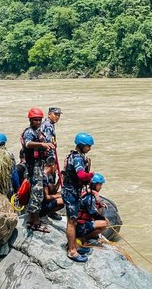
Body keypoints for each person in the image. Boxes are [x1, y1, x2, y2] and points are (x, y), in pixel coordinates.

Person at [62, 132, 95, 262]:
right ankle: (72, 251)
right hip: (71, 193)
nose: (90, 149)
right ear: (81, 146)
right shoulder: (77, 159)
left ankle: (74, 245)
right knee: (72, 222)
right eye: (88, 146)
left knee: (73, 221)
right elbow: (81, 175)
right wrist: (91, 175)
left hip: (71, 191)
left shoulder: (74, 156)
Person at [21, 108, 55, 232]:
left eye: (40, 120)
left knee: (36, 193)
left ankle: (32, 220)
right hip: (33, 167)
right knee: (37, 194)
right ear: (30, 120)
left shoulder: (38, 131)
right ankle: (35, 223)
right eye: (35, 120)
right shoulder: (29, 132)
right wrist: (42, 145)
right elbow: (28, 143)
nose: (38, 122)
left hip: (38, 165)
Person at [76, 173, 109, 245]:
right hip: (80, 225)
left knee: (100, 215)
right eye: (100, 185)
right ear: (95, 185)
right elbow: (93, 213)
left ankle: (89, 234)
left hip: (81, 222)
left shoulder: (88, 192)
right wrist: (104, 219)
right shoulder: (89, 197)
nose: (101, 187)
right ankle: (83, 238)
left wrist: (99, 205)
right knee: (104, 223)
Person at [0, 133, 20, 198]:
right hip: (7, 186)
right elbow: (14, 172)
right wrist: (18, 187)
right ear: (4, 143)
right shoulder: (8, 155)